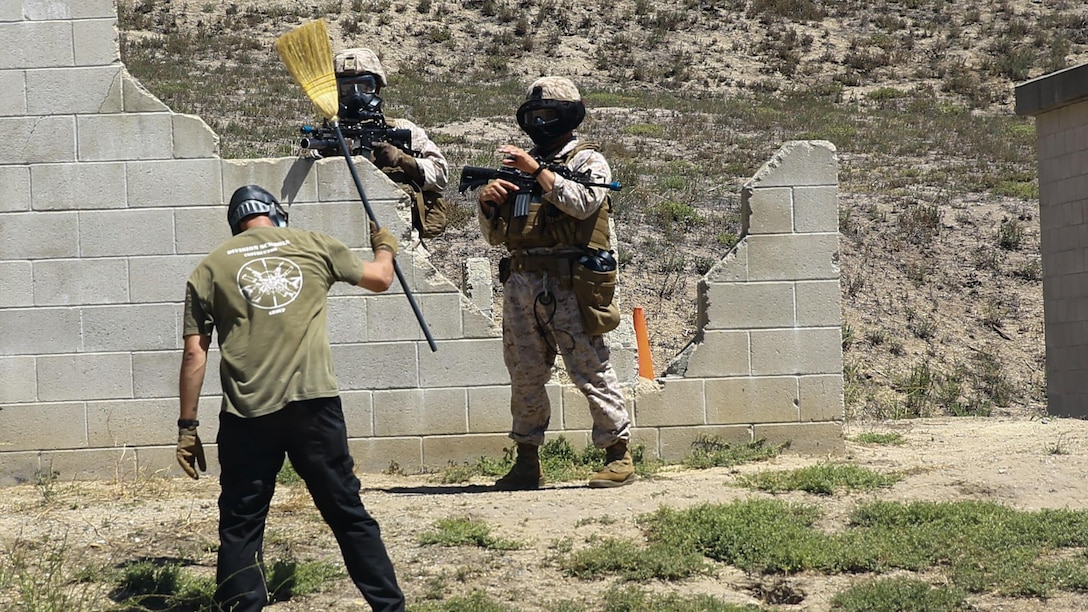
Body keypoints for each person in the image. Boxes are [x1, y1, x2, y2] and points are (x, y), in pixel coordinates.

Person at [175, 184, 406, 612]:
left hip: (247, 414)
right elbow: (380, 279)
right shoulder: (315, 245)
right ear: (276, 215)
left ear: (235, 223)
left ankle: (243, 606)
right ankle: (389, 607)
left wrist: (187, 427)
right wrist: (385, 246)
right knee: (346, 511)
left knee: (242, 522)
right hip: (314, 406)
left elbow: (195, 353)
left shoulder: (208, 269)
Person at [475, 76, 635, 490]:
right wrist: (488, 204)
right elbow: (497, 238)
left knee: (590, 368)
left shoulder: (589, 161)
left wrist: (539, 172)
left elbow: (583, 204)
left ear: (568, 117)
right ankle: (527, 460)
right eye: (535, 115)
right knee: (525, 373)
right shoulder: (522, 165)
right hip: (523, 281)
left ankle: (618, 454)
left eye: (548, 114)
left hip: (572, 281)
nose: (540, 122)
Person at [332, 47, 449, 239]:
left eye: (363, 86)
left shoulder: (403, 129)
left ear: (376, 87)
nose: (355, 94)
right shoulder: (330, 133)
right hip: (344, 235)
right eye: (346, 87)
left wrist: (404, 160)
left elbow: (441, 175)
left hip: (401, 237)